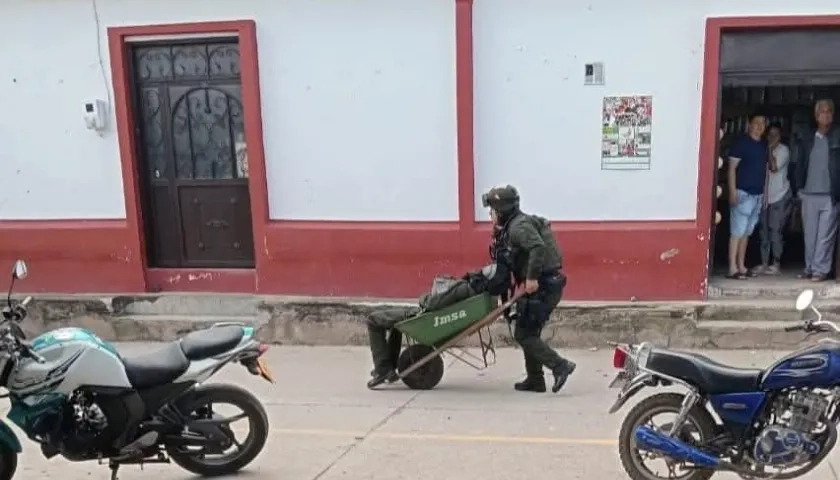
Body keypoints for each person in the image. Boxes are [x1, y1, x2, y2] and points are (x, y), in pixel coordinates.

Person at [482, 185, 576, 393]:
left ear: (502, 210)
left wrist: (532, 278)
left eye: (493, 211)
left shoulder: (518, 228)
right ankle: (535, 379)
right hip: (544, 284)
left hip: (543, 286)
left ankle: (560, 366)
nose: (491, 215)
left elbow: (537, 247)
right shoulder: (513, 225)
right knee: (528, 330)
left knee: (524, 334)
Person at [366, 265, 512, 389]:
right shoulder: (481, 295)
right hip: (429, 317)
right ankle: (388, 367)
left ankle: (383, 370)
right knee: (394, 323)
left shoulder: (464, 288)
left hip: (423, 317)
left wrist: (423, 297)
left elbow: (431, 304)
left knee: (373, 320)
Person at [794, 99, 840, 282]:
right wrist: (798, 188)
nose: (826, 115)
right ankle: (809, 268)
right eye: (822, 112)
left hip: (830, 194)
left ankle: (820, 270)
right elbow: (799, 163)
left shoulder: (837, 136)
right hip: (808, 193)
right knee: (810, 236)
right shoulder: (808, 138)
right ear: (816, 115)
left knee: (825, 237)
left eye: (829, 112)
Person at [726, 113, 768, 280]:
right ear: (749, 124)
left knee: (747, 232)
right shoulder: (741, 144)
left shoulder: (763, 145)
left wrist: (764, 194)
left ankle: (741, 266)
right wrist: (732, 191)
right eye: (756, 123)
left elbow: (765, 171)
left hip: (757, 194)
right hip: (743, 193)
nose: (759, 127)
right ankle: (732, 268)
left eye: (763, 123)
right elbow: (731, 169)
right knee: (737, 232)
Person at [755, 123, 792, 275]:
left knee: (775, 230)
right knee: (763, 230)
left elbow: (774, 167)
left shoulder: (784, 150)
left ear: (780, 136)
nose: (772, 137)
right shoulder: (762, 149)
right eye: (770, 134)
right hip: (765, 196)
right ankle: (764, 262)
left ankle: (776, 263)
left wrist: (770, 150)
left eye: (775, 135)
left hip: (779, 195)